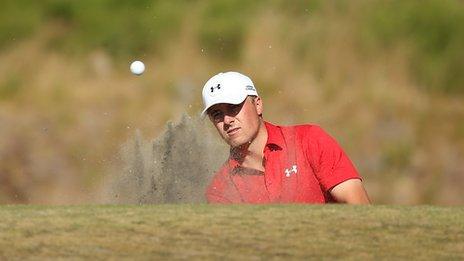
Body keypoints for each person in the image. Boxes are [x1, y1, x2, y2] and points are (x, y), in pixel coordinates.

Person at [201, 71, 370, 204]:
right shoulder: (220, 189)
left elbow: (358, 207)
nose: (227, 120)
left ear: (258, 104)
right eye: (217, 114)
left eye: (233, 107)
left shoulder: (309, 140)